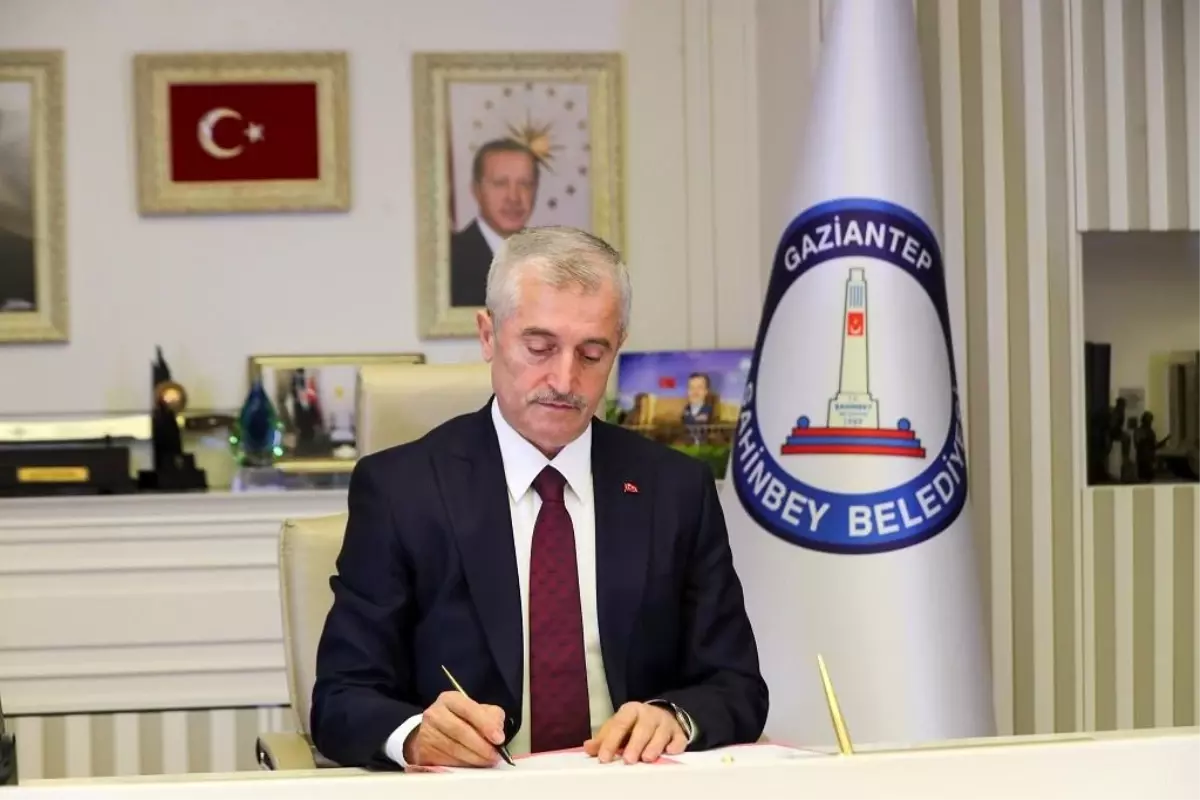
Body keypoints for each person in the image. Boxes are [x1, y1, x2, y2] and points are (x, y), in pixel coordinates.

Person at [311, 226, 767, 770]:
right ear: (488, 335)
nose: (565, 379)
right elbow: (341, 697)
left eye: (592, 354)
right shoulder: (401, 490)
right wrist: (414, 736)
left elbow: (736, 684)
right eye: (540, 347)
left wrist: (674, 717)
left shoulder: (675, 490)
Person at [449, 139, 539, 308]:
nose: (513, 197)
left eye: (525, 184)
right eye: (500, 184)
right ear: (476, 190)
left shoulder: (549, 260)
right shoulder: (448, 261)